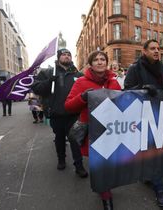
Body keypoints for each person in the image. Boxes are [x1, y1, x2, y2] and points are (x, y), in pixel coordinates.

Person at [65, 50, 121, 210]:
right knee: (101, 165)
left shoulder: (114, 82)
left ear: (106, 62)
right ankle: (106, 198)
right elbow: (68, 106)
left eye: (102, 59)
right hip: (93, 133)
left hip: (112, 131)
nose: (99, 62)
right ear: (91, 64)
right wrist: (82, 97)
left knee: (109, 164)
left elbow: (124, 104)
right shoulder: (81, 82)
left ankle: (103, 187)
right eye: (95, 59)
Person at [124, 39, 163, 207]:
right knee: (153, 151)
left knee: (156, 150)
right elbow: (127, 90)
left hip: (161, 113)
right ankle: (160, 190)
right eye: (152, 48)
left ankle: (148, 175)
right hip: (143, 116)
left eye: (158, 48)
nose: (157, 51)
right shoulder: (134, 68)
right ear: (144, 51)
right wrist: (144, 88)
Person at [31, 49, 87, 178]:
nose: (66, 56)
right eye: (63, 54)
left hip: (74, 114)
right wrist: (49, 81)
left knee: (74, 139)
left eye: (68, 55)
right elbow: (36, 88)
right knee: (59, 138)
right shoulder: (48, 72)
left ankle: (79, 166)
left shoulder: (77, 74)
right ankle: (61, 159)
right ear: (58, 57)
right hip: (56, 113)